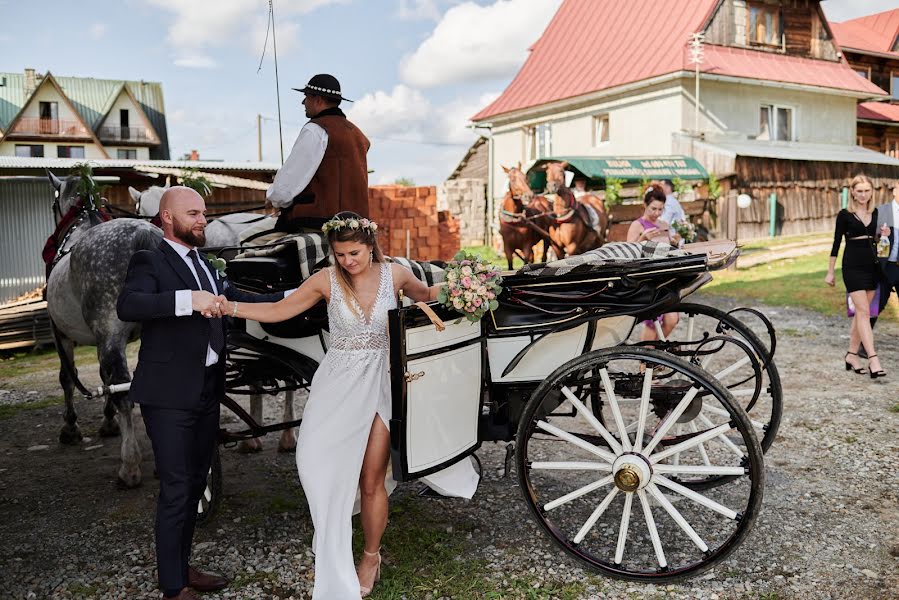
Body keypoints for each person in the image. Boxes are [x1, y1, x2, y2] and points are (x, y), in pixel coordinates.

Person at [216, 212, 475, 599]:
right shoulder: (326, 280)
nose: (348, 261)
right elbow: (278, 311)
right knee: (313, 461)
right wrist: (229, 307)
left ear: (371, 246)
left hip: (384, 384)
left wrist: (471, 285)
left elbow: (427, 296)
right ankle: (330, 533)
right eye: (340, 254)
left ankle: (370, 557)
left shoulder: (396, 275)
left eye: (354, 252)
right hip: (338, 384)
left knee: (371, 479)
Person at [116, 187, 293, 600]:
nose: (203, 219)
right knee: (177, 487)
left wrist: (298, 297)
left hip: (205, 390)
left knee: (195, 483)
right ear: (166, 217)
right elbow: (130, 304)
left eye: (204, 213)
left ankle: (182, 565)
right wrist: (187, 300)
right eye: (193, 213)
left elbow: (237, 299)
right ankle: (173, 587)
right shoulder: (149, 260)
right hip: (168, 395)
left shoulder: (204, 264)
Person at [266, 74, 371, 232]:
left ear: (318, 100)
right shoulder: (356, 133)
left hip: (318, 222)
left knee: (246, 239)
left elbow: (287, 186)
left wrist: (274, 198)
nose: (303, 102)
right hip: (356, 225)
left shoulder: (315, 130)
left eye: (306, 97)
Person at [825, 174, 886, 378]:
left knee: (861, 314)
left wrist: (885, 234)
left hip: (873, 267)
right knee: (863, 312)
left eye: (866, 191)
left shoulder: (878, 213)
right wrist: (830, 271)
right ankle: (873, 359)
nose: (863, 194)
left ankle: (852, 354)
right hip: (852, 267)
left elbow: (881, 241)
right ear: (852, 192)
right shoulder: (844, 214)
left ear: (872, 192)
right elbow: (836, 244)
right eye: (859, 191)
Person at [628, 184, 680, 342]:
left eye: (660, 209)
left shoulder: (663, 225)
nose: (657, 213)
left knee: (672, 319)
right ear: (645, 205)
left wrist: (674, 242)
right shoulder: (637, 225)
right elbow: (628, 253)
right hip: (648, 278)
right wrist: (643, 238)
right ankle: (645, 364)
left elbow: (669, 250)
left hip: (665, 276)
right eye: (653, 209)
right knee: (653, 322)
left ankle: (655, 354)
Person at [873, 180, 899, 328]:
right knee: (877, 304)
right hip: (885, 267)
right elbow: (872, 236)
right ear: (894, 191)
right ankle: (863, 341)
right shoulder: (881, 211)